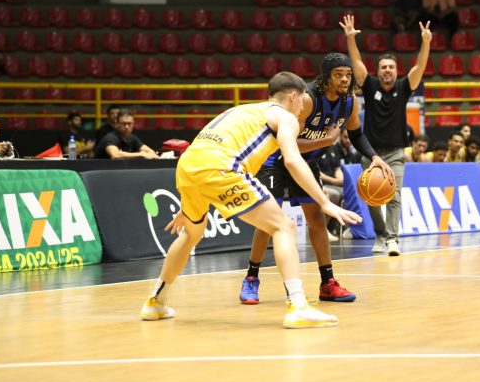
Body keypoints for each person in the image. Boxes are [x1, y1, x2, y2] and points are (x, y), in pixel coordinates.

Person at [141, 72, 362, 329]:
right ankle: (298, 306)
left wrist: (191, 198)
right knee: (283, 226)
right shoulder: (286, 117)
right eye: (303, 100)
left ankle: (155, 301)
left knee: (191, 234)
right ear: (293, 97)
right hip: (220, 167)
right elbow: (292, 160)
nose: (304, 107)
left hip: (189, 167)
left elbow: (204, 152)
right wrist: (324, 202)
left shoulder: (243, 110)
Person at [239, 53, 394, 304]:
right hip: (275, 161)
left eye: (348, 74)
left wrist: (374, 157)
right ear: (326, 77)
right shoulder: (308, 100)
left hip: (307, 163)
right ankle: (251, 278)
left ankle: (328, 283)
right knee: (268, 222)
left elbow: (356, 135)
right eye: (338, 74)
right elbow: (287, 144)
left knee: (317, 219)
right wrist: (326, 140)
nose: (345, 79)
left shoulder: (350, 102)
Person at [341, 14, 432, 256]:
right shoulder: (369, 85)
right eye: (383, 67)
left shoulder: (404, 86)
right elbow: (357, 62)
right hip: (370, 154)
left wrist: (426, 43)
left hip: (395, 153)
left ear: (396, 70)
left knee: (394, 196)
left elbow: (419, 67)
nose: (388, 70)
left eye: (391, 67)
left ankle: (392, 239)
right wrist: (350, 38)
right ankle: (380, 235)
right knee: (371, 197)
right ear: (378, 71)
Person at [94, 109, 159, 159]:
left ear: (133, 123)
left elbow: (150, 151)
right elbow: (115, 155)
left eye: (129, 123)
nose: (127, 127)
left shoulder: (132, 138)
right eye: (123, 123)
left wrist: (149, 154)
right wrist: (141, 154)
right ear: (117, 123)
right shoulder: (110, 138)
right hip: (101, 170)